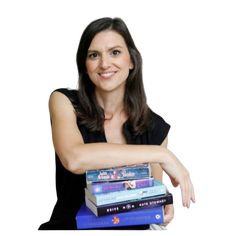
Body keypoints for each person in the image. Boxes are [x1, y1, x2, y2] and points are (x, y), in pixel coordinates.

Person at [39, 17, 195, 230]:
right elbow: (74, 159)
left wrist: (162, 205)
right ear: (84, 65)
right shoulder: (64, 101)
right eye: (94, 55)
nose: (104, 64)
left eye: (115, 52)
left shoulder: (154, 127)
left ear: (131, 61)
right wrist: (162, 154)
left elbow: (150, 194)